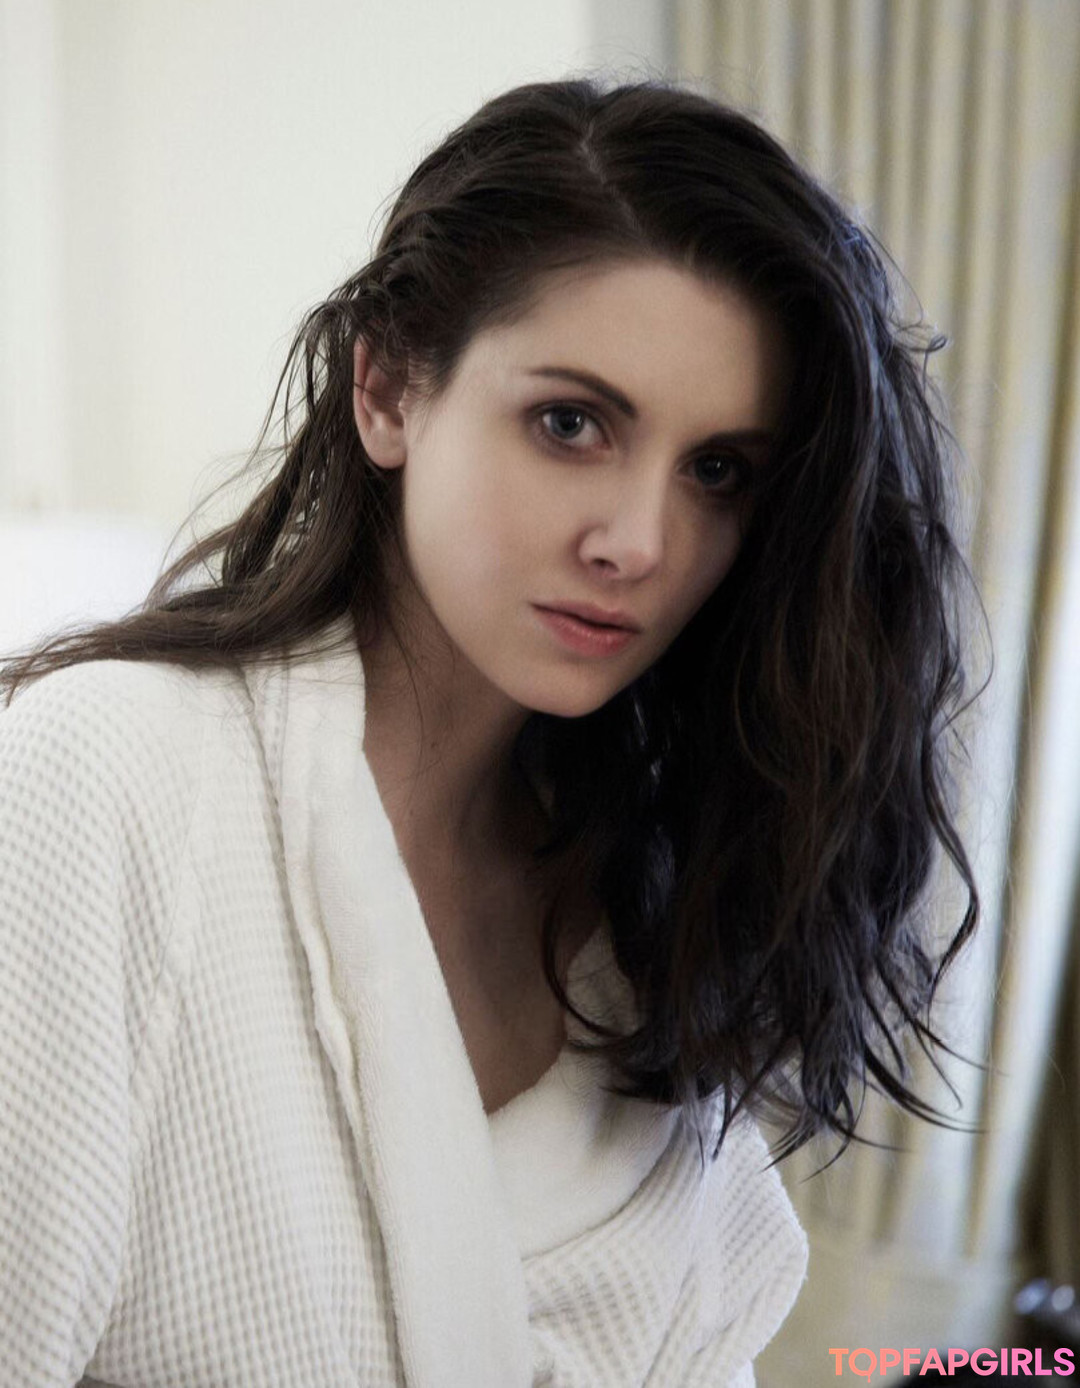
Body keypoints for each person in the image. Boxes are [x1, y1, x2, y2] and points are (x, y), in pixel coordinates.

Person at [0, 79, 979, 1387]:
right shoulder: (107, 779)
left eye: (716, 472)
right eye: (570, 424)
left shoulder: (657, 905)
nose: (639, 541)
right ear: (388, 389)